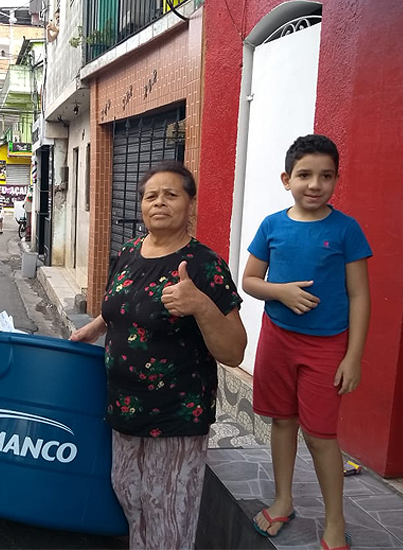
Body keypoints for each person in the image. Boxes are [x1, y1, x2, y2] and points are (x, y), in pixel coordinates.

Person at [71, 161, 247, 550]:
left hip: (176, 413)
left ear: (190, 205)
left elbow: (234, 351)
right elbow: (121, 305)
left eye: (171, 194)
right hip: (124, 406)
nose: (159, 202)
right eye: (151, 196)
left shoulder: (204, 266)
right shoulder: (128, 253)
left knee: (167, 511)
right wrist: (95, 326)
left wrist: (200, 305)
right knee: (129, 494)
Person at [243, 135, 371, 550]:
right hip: (278, 340)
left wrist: (353, 357)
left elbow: (359, 295)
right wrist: (279, 292)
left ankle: (335, 520)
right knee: (281, 421)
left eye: (325, 176)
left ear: (336, 180)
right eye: (304, 175)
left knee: (320, 436)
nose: (314, 184)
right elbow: (249, 281)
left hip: (327, 346)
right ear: (287, 179)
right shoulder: (272, 226)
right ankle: (282, 500)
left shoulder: (347, 229)